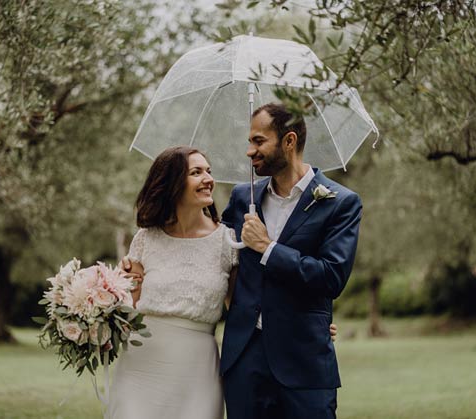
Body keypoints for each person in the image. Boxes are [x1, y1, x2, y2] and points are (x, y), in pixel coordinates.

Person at [113, 145, 338, 419]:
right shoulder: (145, 238)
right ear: (171, 182)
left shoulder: (228, 241)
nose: (208, 178)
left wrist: (305, 323)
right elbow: (129, 308)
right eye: (196, 172)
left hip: (197, 368)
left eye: (208, 171)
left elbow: (249, 304)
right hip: (142, 362)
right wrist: (104, 297)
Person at [220, 102, 362, 419]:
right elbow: (219, 259)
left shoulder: (341, 203)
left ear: (289, 141)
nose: (249, 151)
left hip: (305, 363)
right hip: (246, 359)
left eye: (258, 141)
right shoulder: (243, 198)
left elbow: (331, 277)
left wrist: (268, 248)